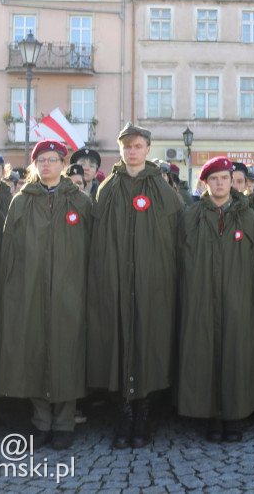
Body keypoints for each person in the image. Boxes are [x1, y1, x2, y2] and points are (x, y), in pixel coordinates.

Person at [87, 124, 184, 449]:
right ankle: (124, 417)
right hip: (114, 284)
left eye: (138, 146)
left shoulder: (160, 188)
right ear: (121, 149)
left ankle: (143, 417)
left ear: (147, 148)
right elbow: (97, 240)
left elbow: (174, 238)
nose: (132, 151)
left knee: (148, 347)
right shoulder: (108, 187)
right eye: (127, 146)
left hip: (152, 285)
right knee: (118, 347)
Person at [0, 140, 92, 450]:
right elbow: (9, 250)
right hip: (30, 291)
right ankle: (40, 422)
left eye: (54, 159)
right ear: (35, 165)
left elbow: (93, 250)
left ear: (63, 164)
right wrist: (12, 290)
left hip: (70, 291)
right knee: (34, 353)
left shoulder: (81, 201)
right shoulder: (22, 201)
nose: (48, 164)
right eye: (42, 160)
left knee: (67, 354)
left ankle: (64, 423)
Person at [178, 156, 254, 442]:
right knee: (205, 356)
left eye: (224, 178)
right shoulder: (191, 215)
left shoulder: (251, 214)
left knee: (239, 356)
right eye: (214, 179)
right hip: (201, 298)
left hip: (241, 299)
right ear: (205, 182)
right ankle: (211, 415)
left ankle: (235, 416)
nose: (220, 183)